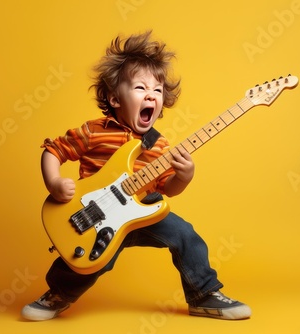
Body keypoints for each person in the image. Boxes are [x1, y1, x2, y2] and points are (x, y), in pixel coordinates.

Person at [21, 31, 251, 321]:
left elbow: (167, 189)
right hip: (95, 214)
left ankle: (203, 295)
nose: (151, 95)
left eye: (157, 90)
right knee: (91, 262)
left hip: (143, 210)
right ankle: (57, 295)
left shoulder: (161, 146)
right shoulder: (95, 131)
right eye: (141, 88)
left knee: (185, 235)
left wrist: (184, 176)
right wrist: (54, 183)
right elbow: (53, 151)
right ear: (115, 98)